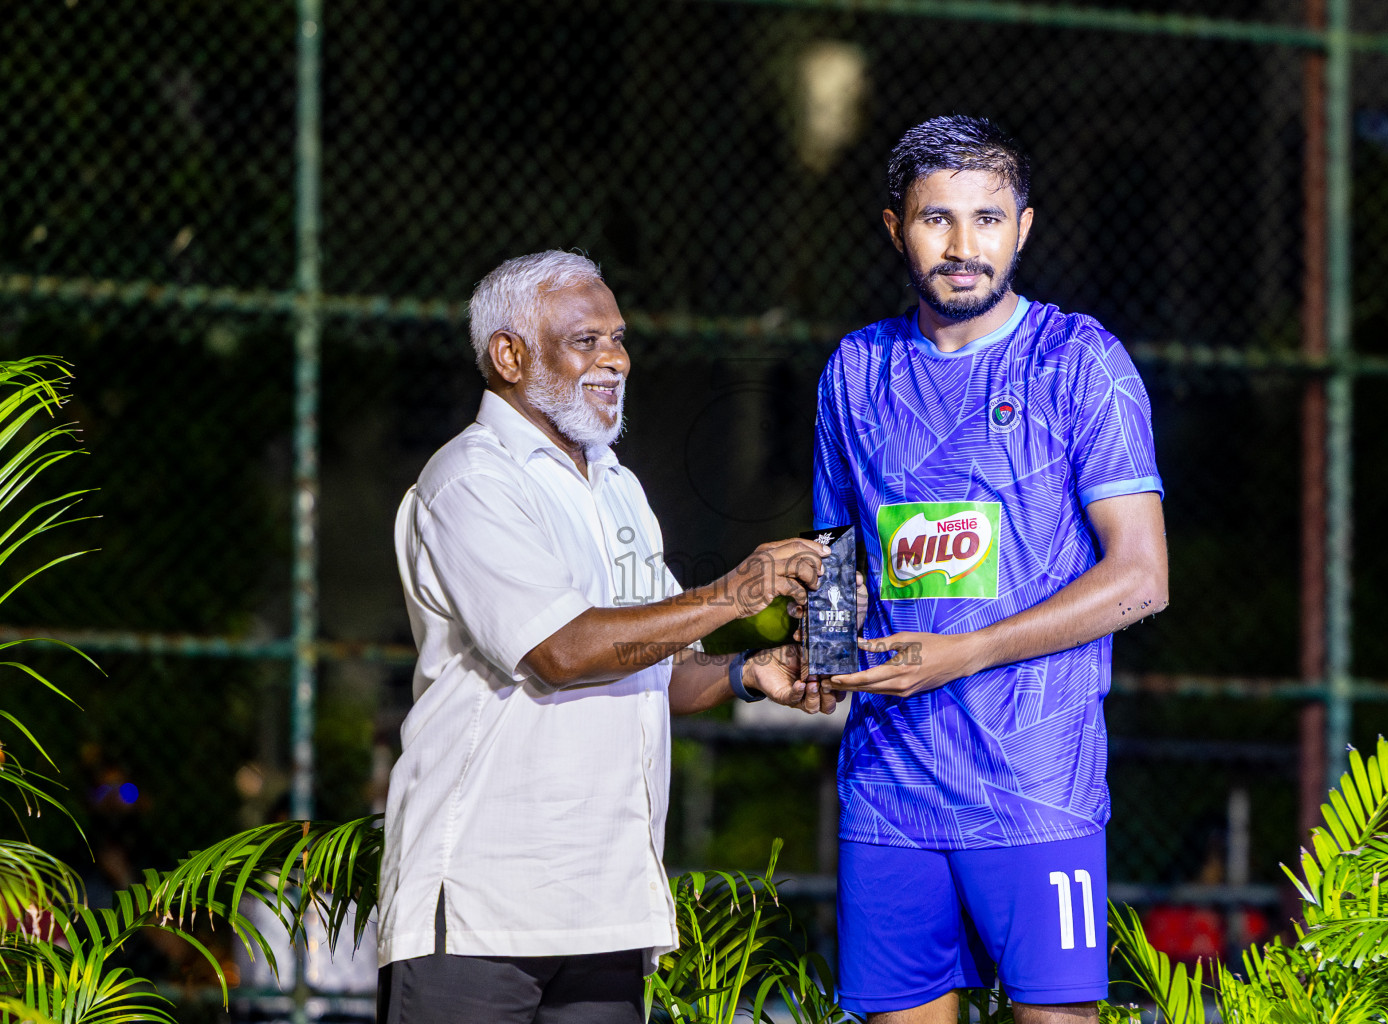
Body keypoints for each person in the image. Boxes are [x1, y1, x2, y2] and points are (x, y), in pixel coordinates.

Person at [378, 250, 833, 1024]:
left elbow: (658, 668)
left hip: (607, 909)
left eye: (618, 339)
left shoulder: (617, 486)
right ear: (510, 355)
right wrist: (735, 590)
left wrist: (751, 672)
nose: (615, 359)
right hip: (482, 908)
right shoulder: (471, 479)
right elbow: (561, 652)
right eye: (586, 341)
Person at [812, 116, 1169, 1023]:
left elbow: (1141, 580)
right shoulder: (855, 370)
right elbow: (838, 560)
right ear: (895, 228)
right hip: (889, 790)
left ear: (1024, 228)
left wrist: (966, 652)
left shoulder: (1079, 361)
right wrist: (821, 656)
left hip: (1034, 789)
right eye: (937, 219)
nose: (963, 246)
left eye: (988, 218)